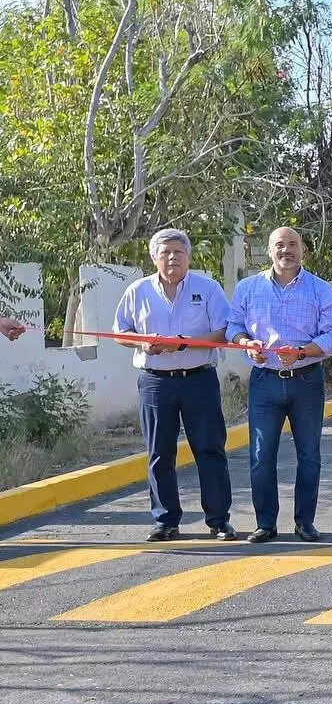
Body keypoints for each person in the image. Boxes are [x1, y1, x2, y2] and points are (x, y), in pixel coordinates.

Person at [112, 228, 235, 541]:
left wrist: (183, 344)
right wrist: (143, 344)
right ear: (154, 258)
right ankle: (166, 521)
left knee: (210, 449)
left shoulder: (207, 288)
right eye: (165, 253)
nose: (172, 258)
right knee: (159, 453)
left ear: (188, 257)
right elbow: (120, 333)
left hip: (199, 378)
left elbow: (223, 333)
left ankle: (219, 520)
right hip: (156, 382)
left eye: (178, 253)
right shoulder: (138, 291)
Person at [227, 226, 332, 543]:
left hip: (306, 380)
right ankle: (265, 522)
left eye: (293, 244)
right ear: (269, 250)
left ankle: (305, 522)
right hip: (264, 381)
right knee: (261, 455)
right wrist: (245, 343)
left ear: (302, 250)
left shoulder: (321, 290)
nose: (286, 250)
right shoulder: (248, 289)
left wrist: (304, 352)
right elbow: (233, 327)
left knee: (309, 455)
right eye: (280, 244)